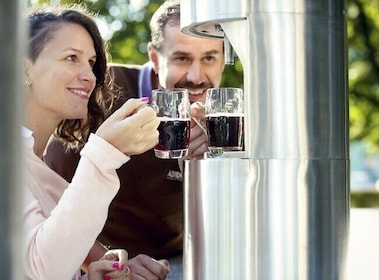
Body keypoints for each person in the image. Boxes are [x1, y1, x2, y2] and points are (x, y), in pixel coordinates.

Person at [44, 0, 226, 279]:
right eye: (182, 58)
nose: (196, 77)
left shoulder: (226, 120)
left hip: (183, 258)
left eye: (210, 58)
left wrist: (206, 169)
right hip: (106, 260)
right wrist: (115, 265)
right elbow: (50, 199)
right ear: (155, 58)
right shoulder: (98, 92)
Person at [23, 4, 168, 279]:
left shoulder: (35, 163)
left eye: (90, 62)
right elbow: (44, 269)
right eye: (70, 58)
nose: (89, 76)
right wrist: (105, 153)